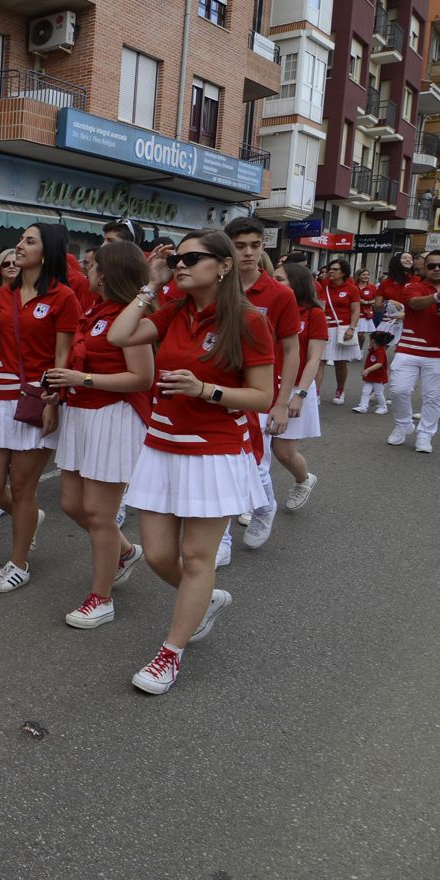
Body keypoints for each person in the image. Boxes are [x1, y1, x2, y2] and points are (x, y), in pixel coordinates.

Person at [108, 232, 275, 695]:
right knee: (159, 553)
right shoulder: (174, 310)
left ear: (222, 266)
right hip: (162, 444)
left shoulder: (248, 319)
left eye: (191, 259)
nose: (180, 264)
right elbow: (118, 335)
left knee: (197, 557)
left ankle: (170, 654)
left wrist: (206, 390)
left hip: (213, 450)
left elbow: (262, 396)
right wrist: (153, 283)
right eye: (176, 259)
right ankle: (204, 601)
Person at [41, 240, 154, 629]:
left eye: (91, 266)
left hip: (114, 417)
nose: (85, 271)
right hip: (82, 415)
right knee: (72, 503)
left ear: (106, 274)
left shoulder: (131, 315)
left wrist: (82, 378)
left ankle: (101, 598)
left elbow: (142, 378)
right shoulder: (93, 309)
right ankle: (124, 552)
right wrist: (59, 389)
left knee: (99, 514)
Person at [0, 223, 80, 593]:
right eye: (20, 240)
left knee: (22, 488)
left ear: (46, 252)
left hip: (36, 399)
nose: (19, 245)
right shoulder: (3, 294)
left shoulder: (64, 297)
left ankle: (18, 563)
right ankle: (29, 518)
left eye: (28, 241)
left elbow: (63, 357)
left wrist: (55, 401)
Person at [216, 217, 299, 563]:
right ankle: (220, 541)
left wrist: (282, 404)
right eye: (240, 246)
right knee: (219, 465)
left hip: (261, 393)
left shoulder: (280, 294)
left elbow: (292, 349)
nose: (248, 253)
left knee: (256, 466)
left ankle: (264, 507)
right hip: (217, 390)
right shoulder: (216, 286)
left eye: (255, 245)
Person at [388, 248, 440, 452]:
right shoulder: (412, 286)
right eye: (431, 265)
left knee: (433, 397)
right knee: (398, 390)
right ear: (424, 268)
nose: (436, 269)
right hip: (409, 347)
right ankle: (403, 424)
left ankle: (425, 435)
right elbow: (413, 304)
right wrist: (436, 297)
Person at [273, 263, 327, 511]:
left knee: (283, 451)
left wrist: (300, 395)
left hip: (296, 387)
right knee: (254, 449)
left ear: (297, 283)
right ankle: (255, 503)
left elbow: (314, 358)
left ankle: (303, 480)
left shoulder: (313, 314)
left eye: (280, 279)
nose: (273, 283)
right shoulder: (271, 308)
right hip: (265, 385)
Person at [319, 258, 362, 404]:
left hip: (342, 328)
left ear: (343, 272)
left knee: (340, 363)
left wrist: (352, 328)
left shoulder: (352, 289)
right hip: (324, 328)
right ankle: (316, 393)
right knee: (320, 360)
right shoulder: (323, 286)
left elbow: (356, 310)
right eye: (330, 269)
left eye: (335, 269)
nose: (331, 271)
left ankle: (340, 389)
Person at [376, 250, 417, 343]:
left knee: (403, 354)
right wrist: (388, 302)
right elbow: (377, 308)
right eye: (404, 258)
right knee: (377, 349)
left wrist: (405, 314)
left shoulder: (417, 280)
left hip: (410, 321)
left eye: (411, 258)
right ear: (397, 261)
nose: (408, 260)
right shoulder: (385, 283)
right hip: (389, 321)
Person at [352, 330, 393, 414]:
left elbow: (379, 363)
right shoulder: (373, 349)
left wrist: (367, 370)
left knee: (378, 393)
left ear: (373, 341)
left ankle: (383, 407)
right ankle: (363, 406)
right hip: (371, 376)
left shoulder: (380, 351)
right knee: (365, 391)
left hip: (378, 377)